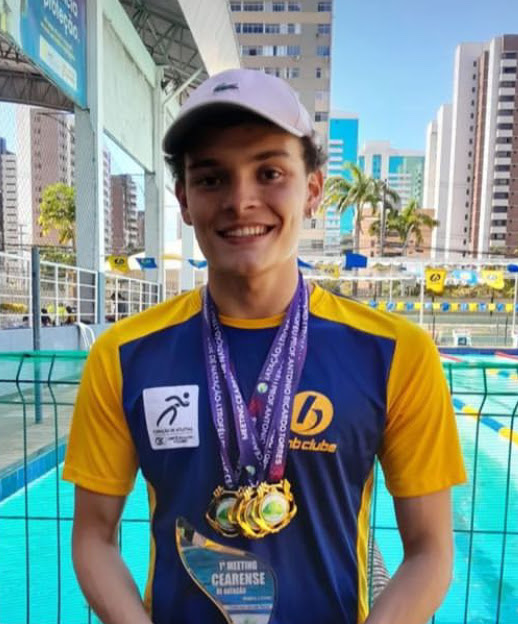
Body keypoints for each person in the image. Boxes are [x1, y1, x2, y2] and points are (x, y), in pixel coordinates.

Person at [63, 68, 466, 624]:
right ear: (184, 200)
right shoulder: (124, 356)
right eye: (212, 179)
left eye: (270, 172)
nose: (241, 200)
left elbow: (430, 551)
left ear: (313, 190)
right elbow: (93, 536)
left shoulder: (395, 354)